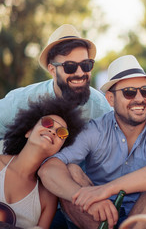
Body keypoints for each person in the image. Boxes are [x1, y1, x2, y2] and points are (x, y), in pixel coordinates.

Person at [38, 55, 146, 229]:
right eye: (129, 92)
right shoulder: (95, 129)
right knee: (70, 171)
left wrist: (108, 189)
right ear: (110, 99)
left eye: (145, 91)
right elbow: (48, 168)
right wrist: (83, 196)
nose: (139, 99)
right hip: (97, 217)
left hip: (143, 215)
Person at [0, 24, 112, 139]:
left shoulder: (101, 109)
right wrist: (15, 157)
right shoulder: (22, 101)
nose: (80, 73)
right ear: (52, 70)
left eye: (86, 65)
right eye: (70, 66)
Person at [0, 95, 85, 229]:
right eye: (47, 123)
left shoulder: (47, 196)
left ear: (60, 148)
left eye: (62, 133)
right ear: (28, 131)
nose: (52, 131)